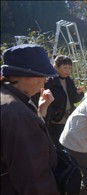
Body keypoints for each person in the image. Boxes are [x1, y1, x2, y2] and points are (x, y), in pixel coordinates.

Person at [1, 44, 59, 194]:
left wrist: (41, 110)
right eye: (42, 75)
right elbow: (34, 178)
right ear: (24, 75)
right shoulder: (18, 114)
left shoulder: (8, 96)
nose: (45, 81)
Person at [41, 55, 85, 151]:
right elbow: (46, 100)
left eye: (69, 68)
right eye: (65, 68)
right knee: (57, 145)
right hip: (56, 119)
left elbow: (73, 99)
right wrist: (53, 113)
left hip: (69, 119)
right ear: (56, 67)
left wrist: (78, 93)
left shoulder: (69, 81)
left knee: (68, 144)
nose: (67, 71)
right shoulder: (50, 82)